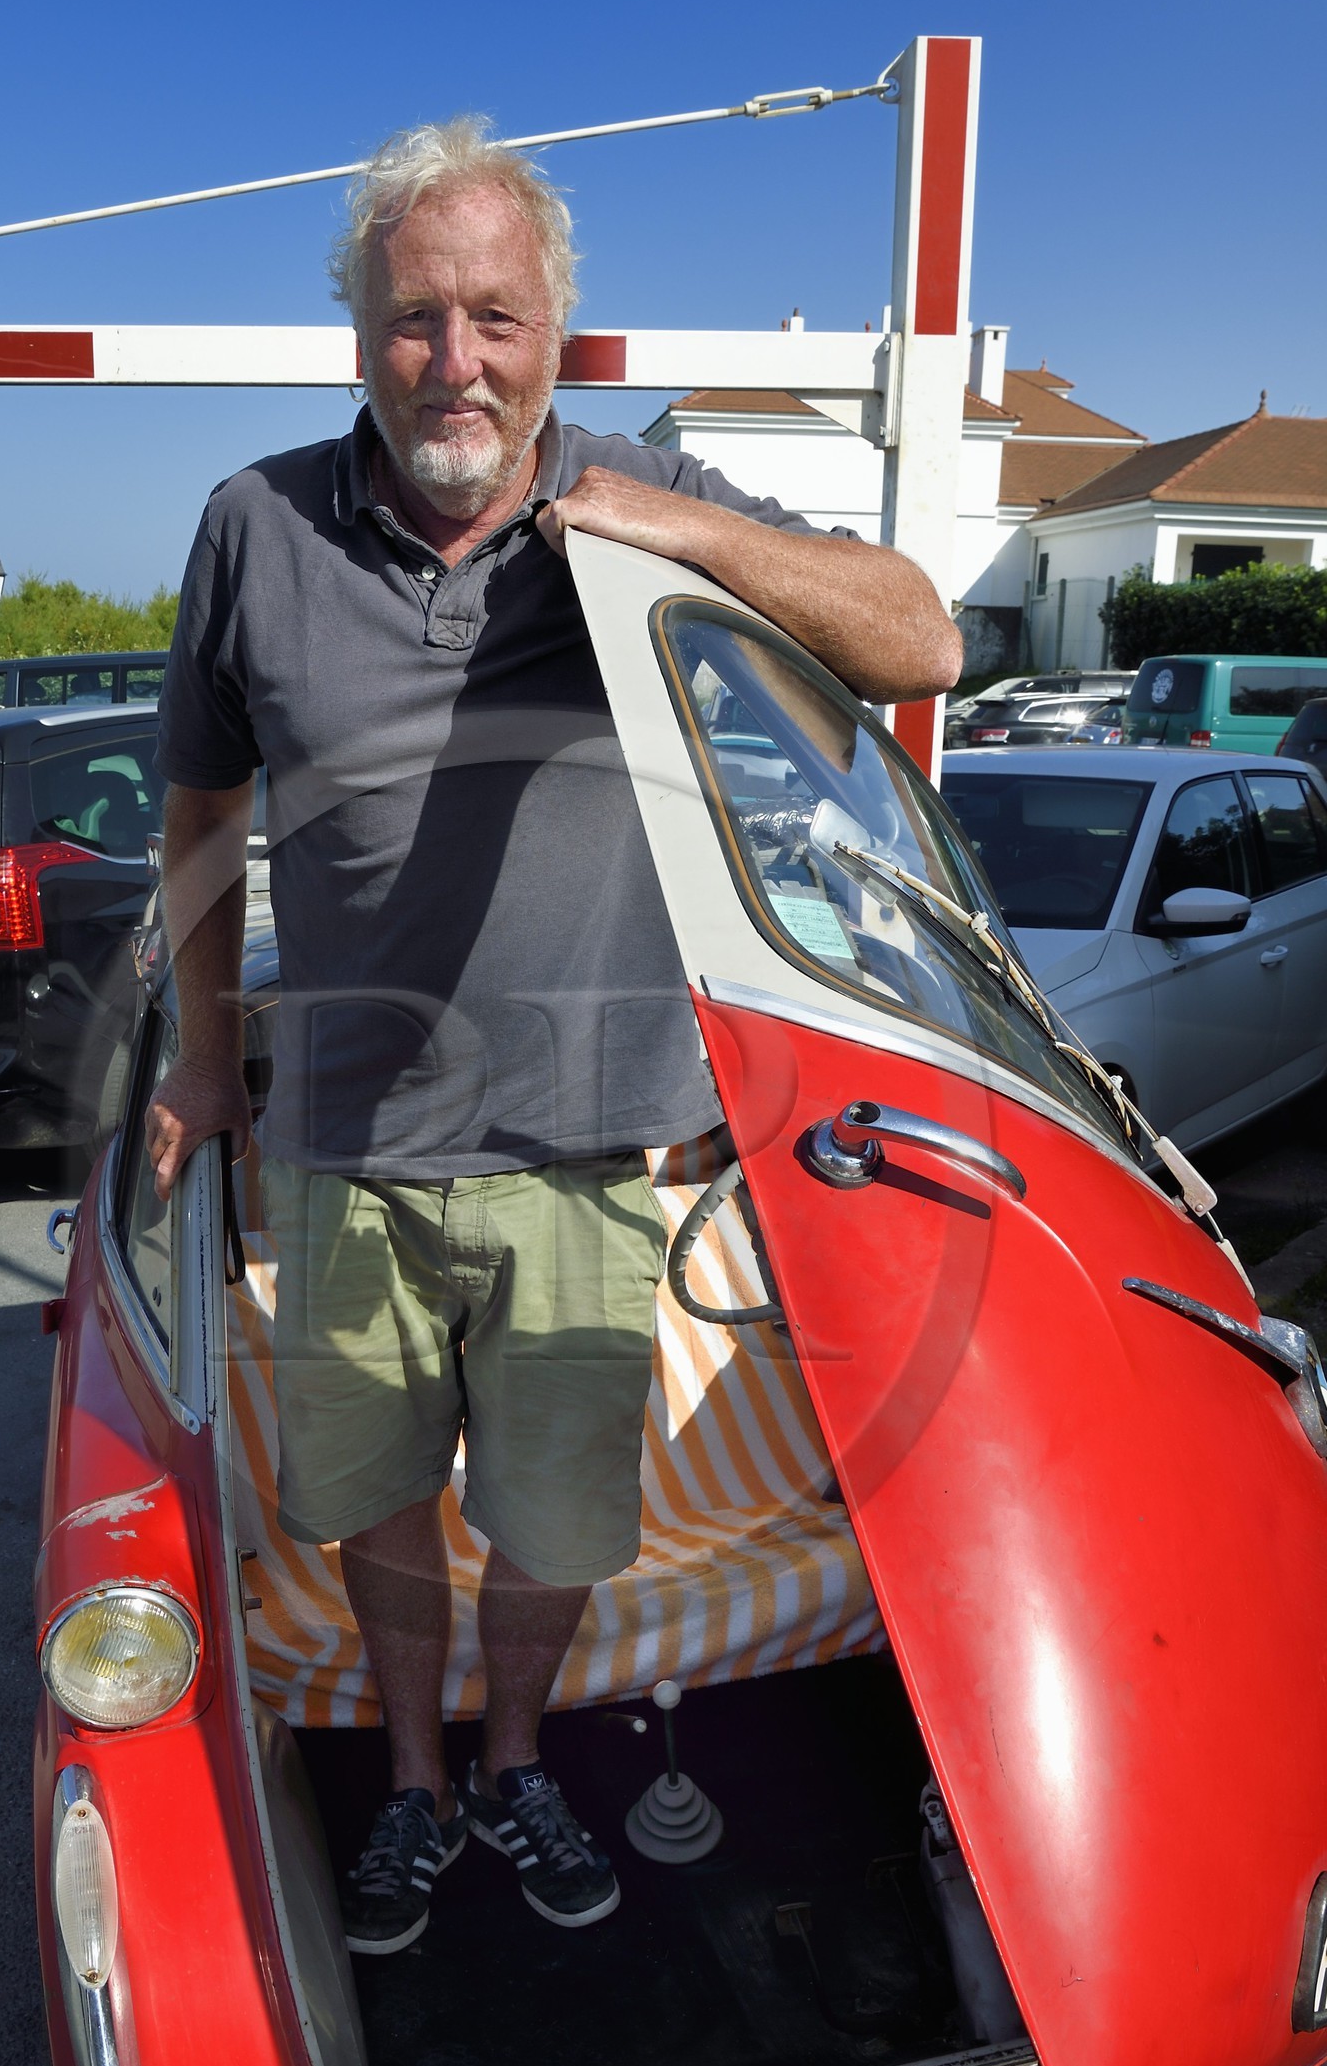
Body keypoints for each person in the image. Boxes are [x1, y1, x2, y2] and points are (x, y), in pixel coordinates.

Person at [147, 118, 961, 1956]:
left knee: (557, 1523)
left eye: (497, 318)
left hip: (592, 1149)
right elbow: (199, 815)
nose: (457, 361)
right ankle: (420, 1782)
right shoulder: (252, 525)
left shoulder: (642, 486)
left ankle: (518, 1757)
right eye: (415, 317)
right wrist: (208, 1059)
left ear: (560, 333)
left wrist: (654, 527)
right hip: (353, 1147)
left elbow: (920, 646)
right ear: (357, 329)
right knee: (370, 1503)